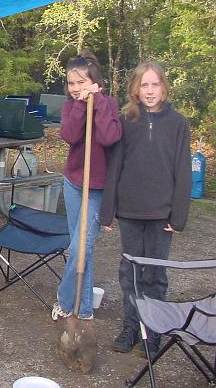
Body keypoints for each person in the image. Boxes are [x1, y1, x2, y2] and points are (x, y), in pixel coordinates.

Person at [100, 61, 191, 356]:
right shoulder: (127, 122)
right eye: (144, 85)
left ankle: (153, 332)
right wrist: (108, 210)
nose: (150, 91)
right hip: (130, 211)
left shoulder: (178, 123)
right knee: (130, 274)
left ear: (164, 87)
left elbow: (183, 171)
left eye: (155, 84)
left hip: (161, 214)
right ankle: (131, 327)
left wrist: (178, 216)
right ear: (135, 90)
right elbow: (115, 167)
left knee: (155, 275)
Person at [51, 51, 122, 322]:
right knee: (81, 246)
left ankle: (66, 299)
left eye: (81, 82)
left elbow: (108, 137)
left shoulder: (110, 104)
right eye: (71, 83)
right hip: (73, 182)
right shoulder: (71, 106)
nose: (76, 88)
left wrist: (99, 102)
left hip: (97, 187)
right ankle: (83, 309)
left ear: (94, 82)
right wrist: (81, 105)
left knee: (80, 248)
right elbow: (69, 135)